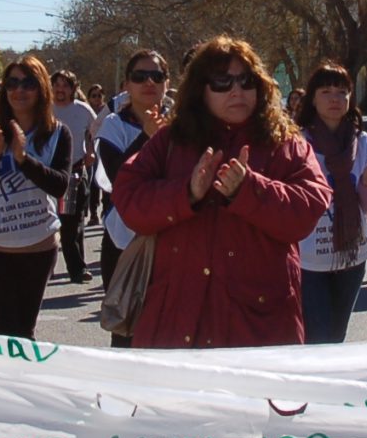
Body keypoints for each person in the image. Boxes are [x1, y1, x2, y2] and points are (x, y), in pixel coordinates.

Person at [109, 36, 330, 348]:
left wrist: (250, 189)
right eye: (222, 82)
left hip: (260, 329)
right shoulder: (171, 139)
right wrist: (186, 193)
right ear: (202, 90)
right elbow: (129, 197)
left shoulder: (286, 142)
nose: (237, 91)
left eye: (246, 81)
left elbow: (310, 206)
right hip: (175, 327)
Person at [0, 56, 73, 337]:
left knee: (24, 332)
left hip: (37, 247)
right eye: (12, 83)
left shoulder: (57, 133)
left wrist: (23, 158)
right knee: (2, 333)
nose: (19, 90)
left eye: (28, 83)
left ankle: (23, 381)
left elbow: (60, 185)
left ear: (42, 89)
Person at [293, 61, 367, 344]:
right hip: (310, 256)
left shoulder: (364, 142)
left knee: (337, 337)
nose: (335, 99)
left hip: (352, 253)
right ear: (312, 98)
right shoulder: (297, 143)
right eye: (325, 91)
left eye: (342, 91)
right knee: (318, 337)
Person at [92, 49, 172, 312]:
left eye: (156, 76)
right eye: (140, 76)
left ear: (167, 83)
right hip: (124, 239)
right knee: (127, 331)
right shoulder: (113, 125)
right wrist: (146, 137)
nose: (149, 83)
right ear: (126, 85)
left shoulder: (182, 124)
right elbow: (119, 179)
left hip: (172, 240)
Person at [50, 68, 98, 282]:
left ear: (73, 89)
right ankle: (50, 266)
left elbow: (97, 132)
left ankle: (78, 268)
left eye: (65, 85)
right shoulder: (44, 109)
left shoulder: (83, 110)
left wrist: (91, 151)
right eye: (57, 85)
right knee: (53, 220)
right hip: (49, 172)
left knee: (73, 220)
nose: (61, 89)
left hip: (76, 171)